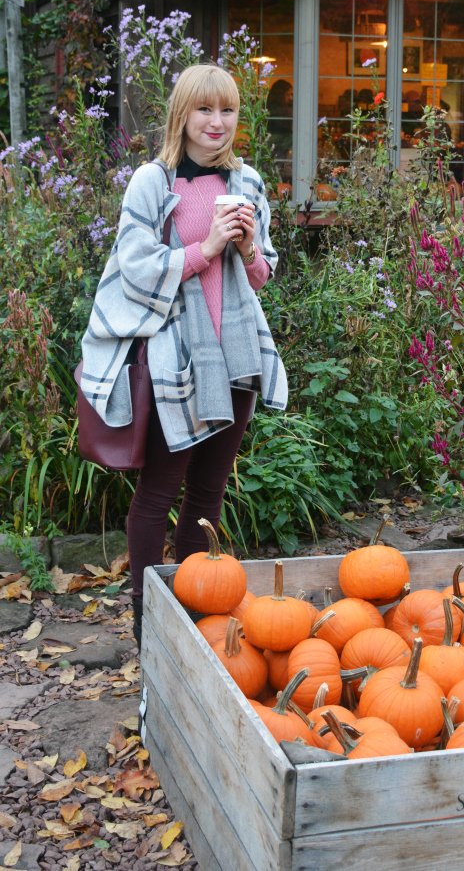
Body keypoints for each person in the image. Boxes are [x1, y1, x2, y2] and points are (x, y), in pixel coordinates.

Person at [79, 65, 287, 646]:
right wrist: (207, 246)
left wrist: (245, 249)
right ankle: (150, 626)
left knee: (206, 497)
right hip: (175, 363)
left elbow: (262, 274)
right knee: (158, 494)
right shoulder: (154, 182)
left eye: (227, 111)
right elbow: (134, 269)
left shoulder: (246, 182)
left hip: (238, 360)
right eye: (204, 110)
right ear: (182, 114)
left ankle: (194, 623)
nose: (217, 123)